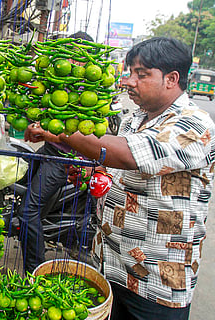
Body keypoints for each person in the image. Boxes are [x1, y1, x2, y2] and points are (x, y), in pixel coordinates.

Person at [55, 37, 215, 319]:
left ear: (171, 79)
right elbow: (126, 171)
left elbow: (128, 155)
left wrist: (55, 126)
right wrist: (95, 174)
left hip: (158, 282)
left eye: (141, 75)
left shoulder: (194, 123)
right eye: (130, 73)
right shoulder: (135, 119)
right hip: (113, 266)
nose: (129, 81)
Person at [20, 31, 95, 273]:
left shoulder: (85, 92)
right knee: (19, 184)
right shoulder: (61, 84)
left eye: (77, 56)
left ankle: (36, 270)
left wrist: (46, 134)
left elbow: (79, 140)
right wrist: (35, 128)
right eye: (69, 55)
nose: (72, 61)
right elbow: (47, 118)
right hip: (50, 150)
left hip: (64, 159)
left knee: (28, 211)